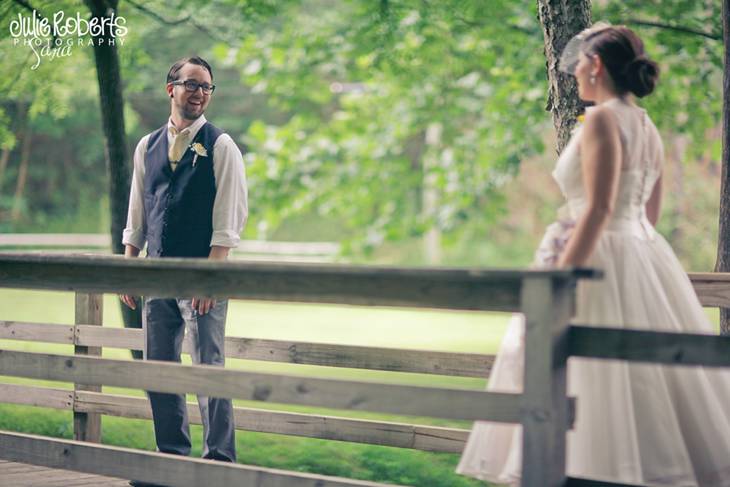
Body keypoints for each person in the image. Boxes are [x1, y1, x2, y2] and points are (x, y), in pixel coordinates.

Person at [457, 23, 730, 486]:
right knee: (634, 374)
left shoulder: (603, 118)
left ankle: (585, 467)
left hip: (596, 256)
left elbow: (600, 208)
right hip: (643, 255)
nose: (575, 72)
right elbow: (650, 213)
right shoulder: (645, 123)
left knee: (579, 367)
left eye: (580, 63)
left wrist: (562, 277)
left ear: (597, 65)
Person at [120, 56, 248, 486]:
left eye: (207, 87)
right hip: (156, 275)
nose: (199, 93)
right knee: (160, 366)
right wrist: (129, 262)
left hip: (203, 276)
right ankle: (170, 460)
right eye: (192, 84)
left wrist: (211, 277)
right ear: (170, 88)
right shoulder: (147, 145)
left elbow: (229, 219)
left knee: (208, 367)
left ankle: (219, 465)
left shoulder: (221, 145)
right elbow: (138, 209)